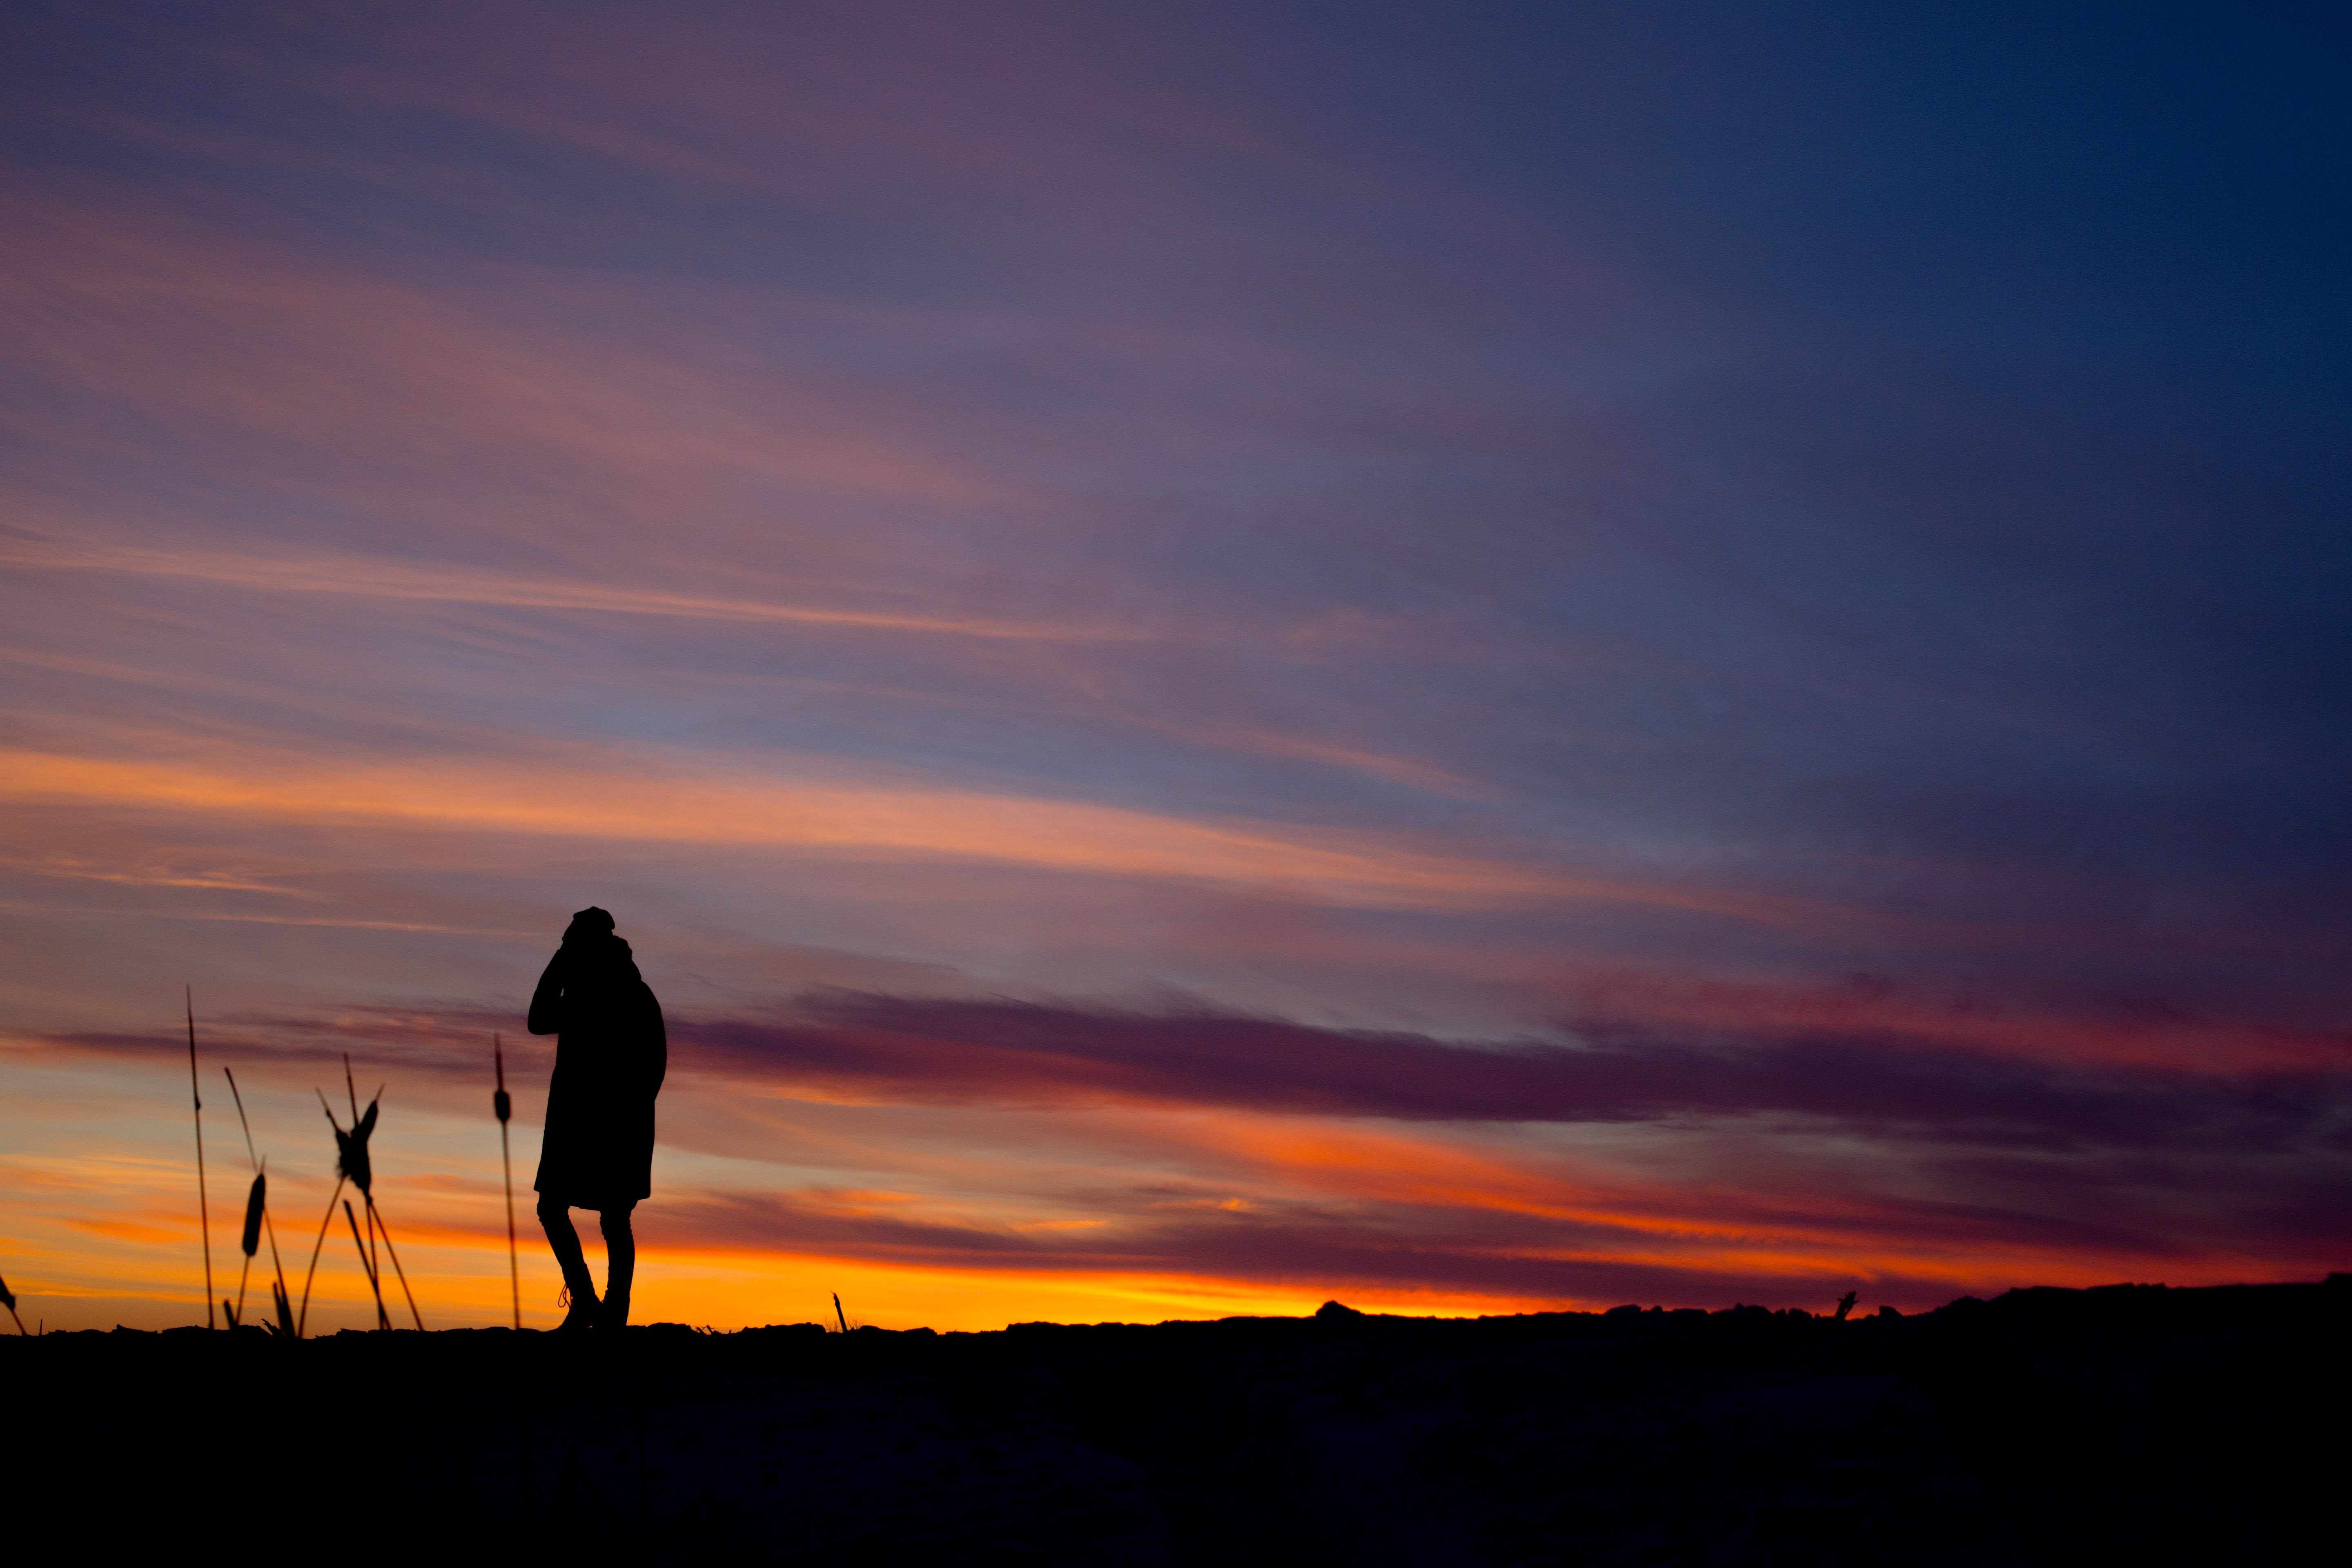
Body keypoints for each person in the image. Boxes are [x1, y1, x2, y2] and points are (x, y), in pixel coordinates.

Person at [527, 906, 666, 1331]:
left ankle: (613, 1311)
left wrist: (631, 1112)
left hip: (617, 1125)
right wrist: (559, 964)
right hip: (575, 1121)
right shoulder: (582, 995)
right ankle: (588, 1300)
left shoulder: (629, 995)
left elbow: (652, 1065)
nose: (568, 951)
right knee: (554, 1208)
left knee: (613, 1216)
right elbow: (538, 1021)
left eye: (572, 945)